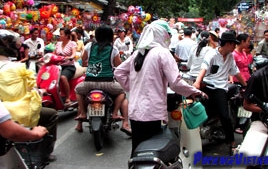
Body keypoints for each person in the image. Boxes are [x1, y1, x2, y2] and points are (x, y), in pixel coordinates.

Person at [114, 20, 206, 156]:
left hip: (135, 111)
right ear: (161, 35)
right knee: (150, 151)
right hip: (151, 112)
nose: (168, 38)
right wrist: (194, 92)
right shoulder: (162, 53)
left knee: (137, 149)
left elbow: (119, 72)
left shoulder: (137, 54)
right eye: (167, 35)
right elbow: (175, 82)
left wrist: (132, 88)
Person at [0, 29, 58, 161]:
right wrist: (41, 92)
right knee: (52, 115)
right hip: (17, 114)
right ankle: (45, 152)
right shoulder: (17, 68)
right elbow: (32, 93)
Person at [193, 31, 247, 155]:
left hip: (220, 88)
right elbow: (204, 68)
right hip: (207, 85)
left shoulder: (230, 56)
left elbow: (236, 72)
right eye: (234, 44)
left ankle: (232, 143)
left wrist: (246, 85)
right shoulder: (212, 54)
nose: (234, 47)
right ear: (228, 44)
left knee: (225, 116)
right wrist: (197, 83)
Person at [74, 26, 131, 135]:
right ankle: (116, 114)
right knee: (122, 93)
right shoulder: (113, 49)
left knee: (78, 91)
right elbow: (118, 66)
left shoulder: (89, 46)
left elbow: (83, 61)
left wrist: (89, 65)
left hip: (89, 82)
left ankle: (82, 114)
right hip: (108, 83)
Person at [230, 33, 251, 134]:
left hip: (246, 80)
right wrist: (231, 79)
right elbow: (231, 69)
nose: (248, 43)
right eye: (247, 41)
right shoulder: (233, 54)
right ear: (242, 42)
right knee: (238, 104)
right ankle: (236, 125)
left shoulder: (244, 52)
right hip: (237, 81)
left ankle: (242, 124)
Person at [53, 27, 77, 106]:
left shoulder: (72, 43)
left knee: (63, 77)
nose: (59, 36)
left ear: (66, 36)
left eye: (61, 34)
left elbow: (74, 54)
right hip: (58, 67)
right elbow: (53, 54)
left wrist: (70, 57)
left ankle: (67, 97)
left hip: (69, 66)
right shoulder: (58, 43)